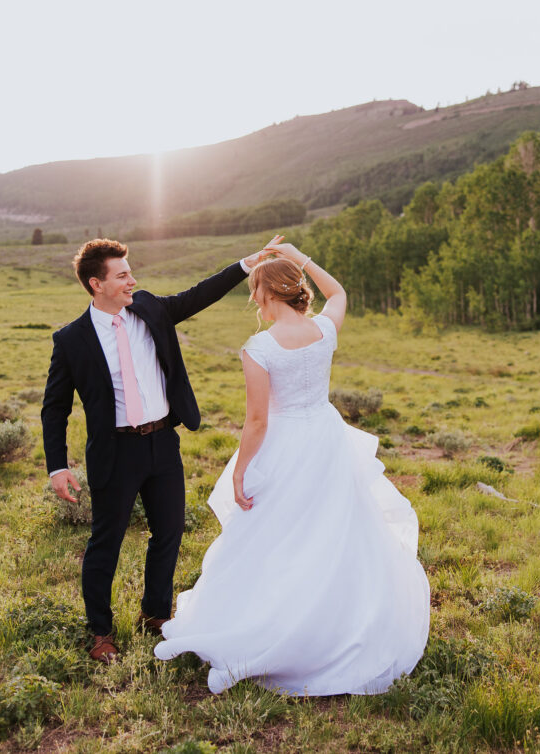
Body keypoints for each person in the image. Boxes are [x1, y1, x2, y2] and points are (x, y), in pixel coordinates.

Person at [153, 242, 430, 695]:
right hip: (326, 439)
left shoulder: (259, 348)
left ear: (264, 295)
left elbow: (258, 420)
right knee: (334, 532)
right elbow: (338, 292)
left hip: (285, 446)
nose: (253, 302)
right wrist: (299, 256)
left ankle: (276, 629)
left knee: (276, 536)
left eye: (254, 293)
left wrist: (241, 470)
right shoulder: (325, 329)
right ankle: (338, 624)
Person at [41, 237, 274, 663]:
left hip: (164, 442)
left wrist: (246, 264)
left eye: (130, 272)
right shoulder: (71, 340)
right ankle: (100, 632)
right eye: (123, 275)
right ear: (97, 284)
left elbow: (198, 295)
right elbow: (54, 409)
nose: (133, 279)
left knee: (168, 531)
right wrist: (57, 466)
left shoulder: (148, 308)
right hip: (114, 451)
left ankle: (155, 613)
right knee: (105, 541)